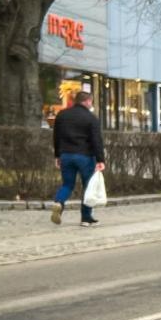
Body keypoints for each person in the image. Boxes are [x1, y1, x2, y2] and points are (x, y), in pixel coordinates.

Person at [50, 90, 104, 226]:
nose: (91, 104)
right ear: (87, 101)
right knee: (88, 186)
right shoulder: (91, 118)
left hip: (66, 155)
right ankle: (86, 218)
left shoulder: (62, 115)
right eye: (91, 101)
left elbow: (56, 137)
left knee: (67, 184)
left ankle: (59, 202)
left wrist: (57, 155)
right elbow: (96, 140)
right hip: (85, 156)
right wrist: (100, 159)